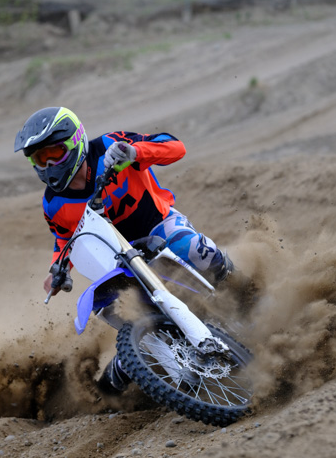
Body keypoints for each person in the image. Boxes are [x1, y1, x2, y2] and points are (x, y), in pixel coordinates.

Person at [14, 106, 234, 393]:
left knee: (192, 248)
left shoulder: (109, 145)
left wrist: (135, 152)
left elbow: (175, 147)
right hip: (117, 258)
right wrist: (58, 268)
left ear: (75, 142)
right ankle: (139, 365)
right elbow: (65, 237)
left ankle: (243, 286)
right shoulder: (53, 203)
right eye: (39, 158)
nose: (48, 164)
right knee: (117, 306)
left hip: (158, 225)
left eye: (54, 153)